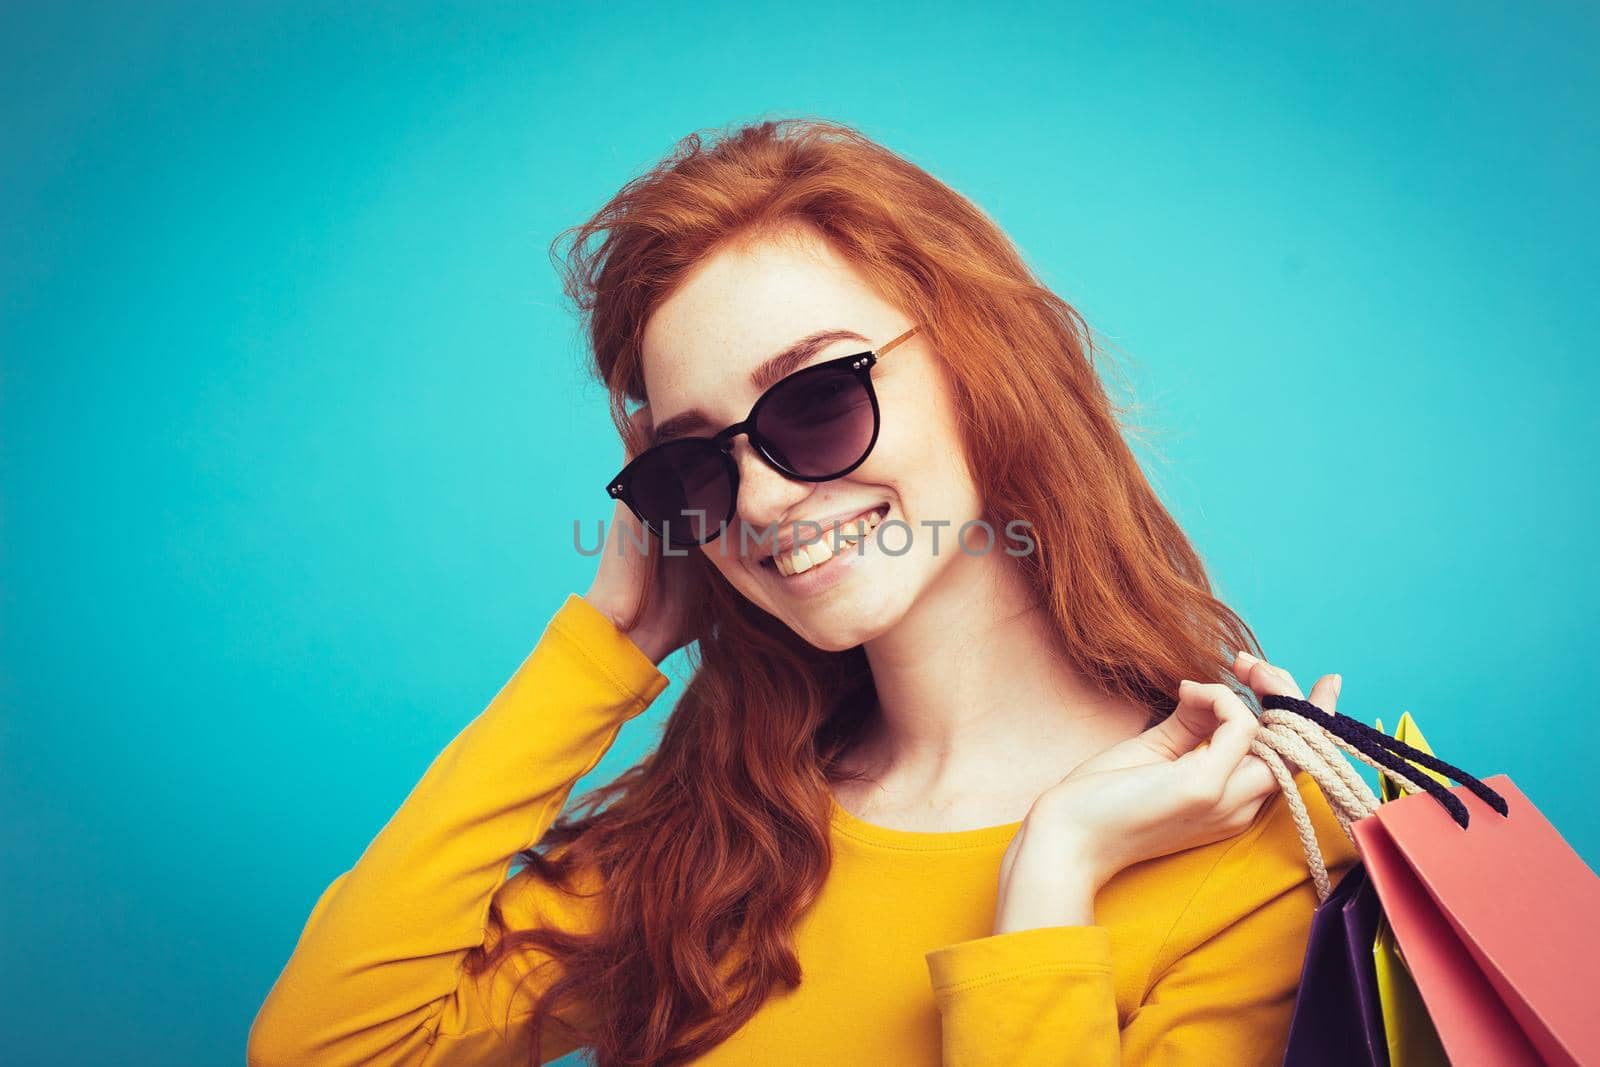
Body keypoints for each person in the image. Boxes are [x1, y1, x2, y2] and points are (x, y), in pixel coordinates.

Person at [248, 118, 1357, 1067]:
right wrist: (607, 642)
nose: (765, 501)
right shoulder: (720, 836)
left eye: (815, 399)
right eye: (694, 465)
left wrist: (1054, 871)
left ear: (988, 369)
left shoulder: (1259, 852)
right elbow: (328, 1044)